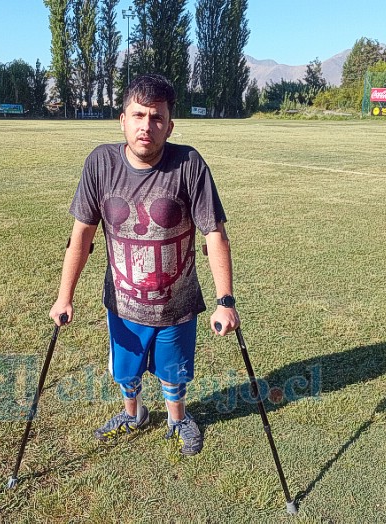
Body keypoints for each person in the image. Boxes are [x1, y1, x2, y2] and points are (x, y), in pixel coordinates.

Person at [49, 73, 239, 456]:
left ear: (170, 124)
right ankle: (133, 414)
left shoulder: (189, 164)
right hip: (123, 303)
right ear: (122, 119)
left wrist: (226, 300)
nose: (146, 126)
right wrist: (63, 297)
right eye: (138, 115)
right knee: (125, 372)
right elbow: (81, 236)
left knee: (175, 372)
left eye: (156, 118)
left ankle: (178, 418)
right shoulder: (100, 164)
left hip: (176, 303)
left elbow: (214, 234)